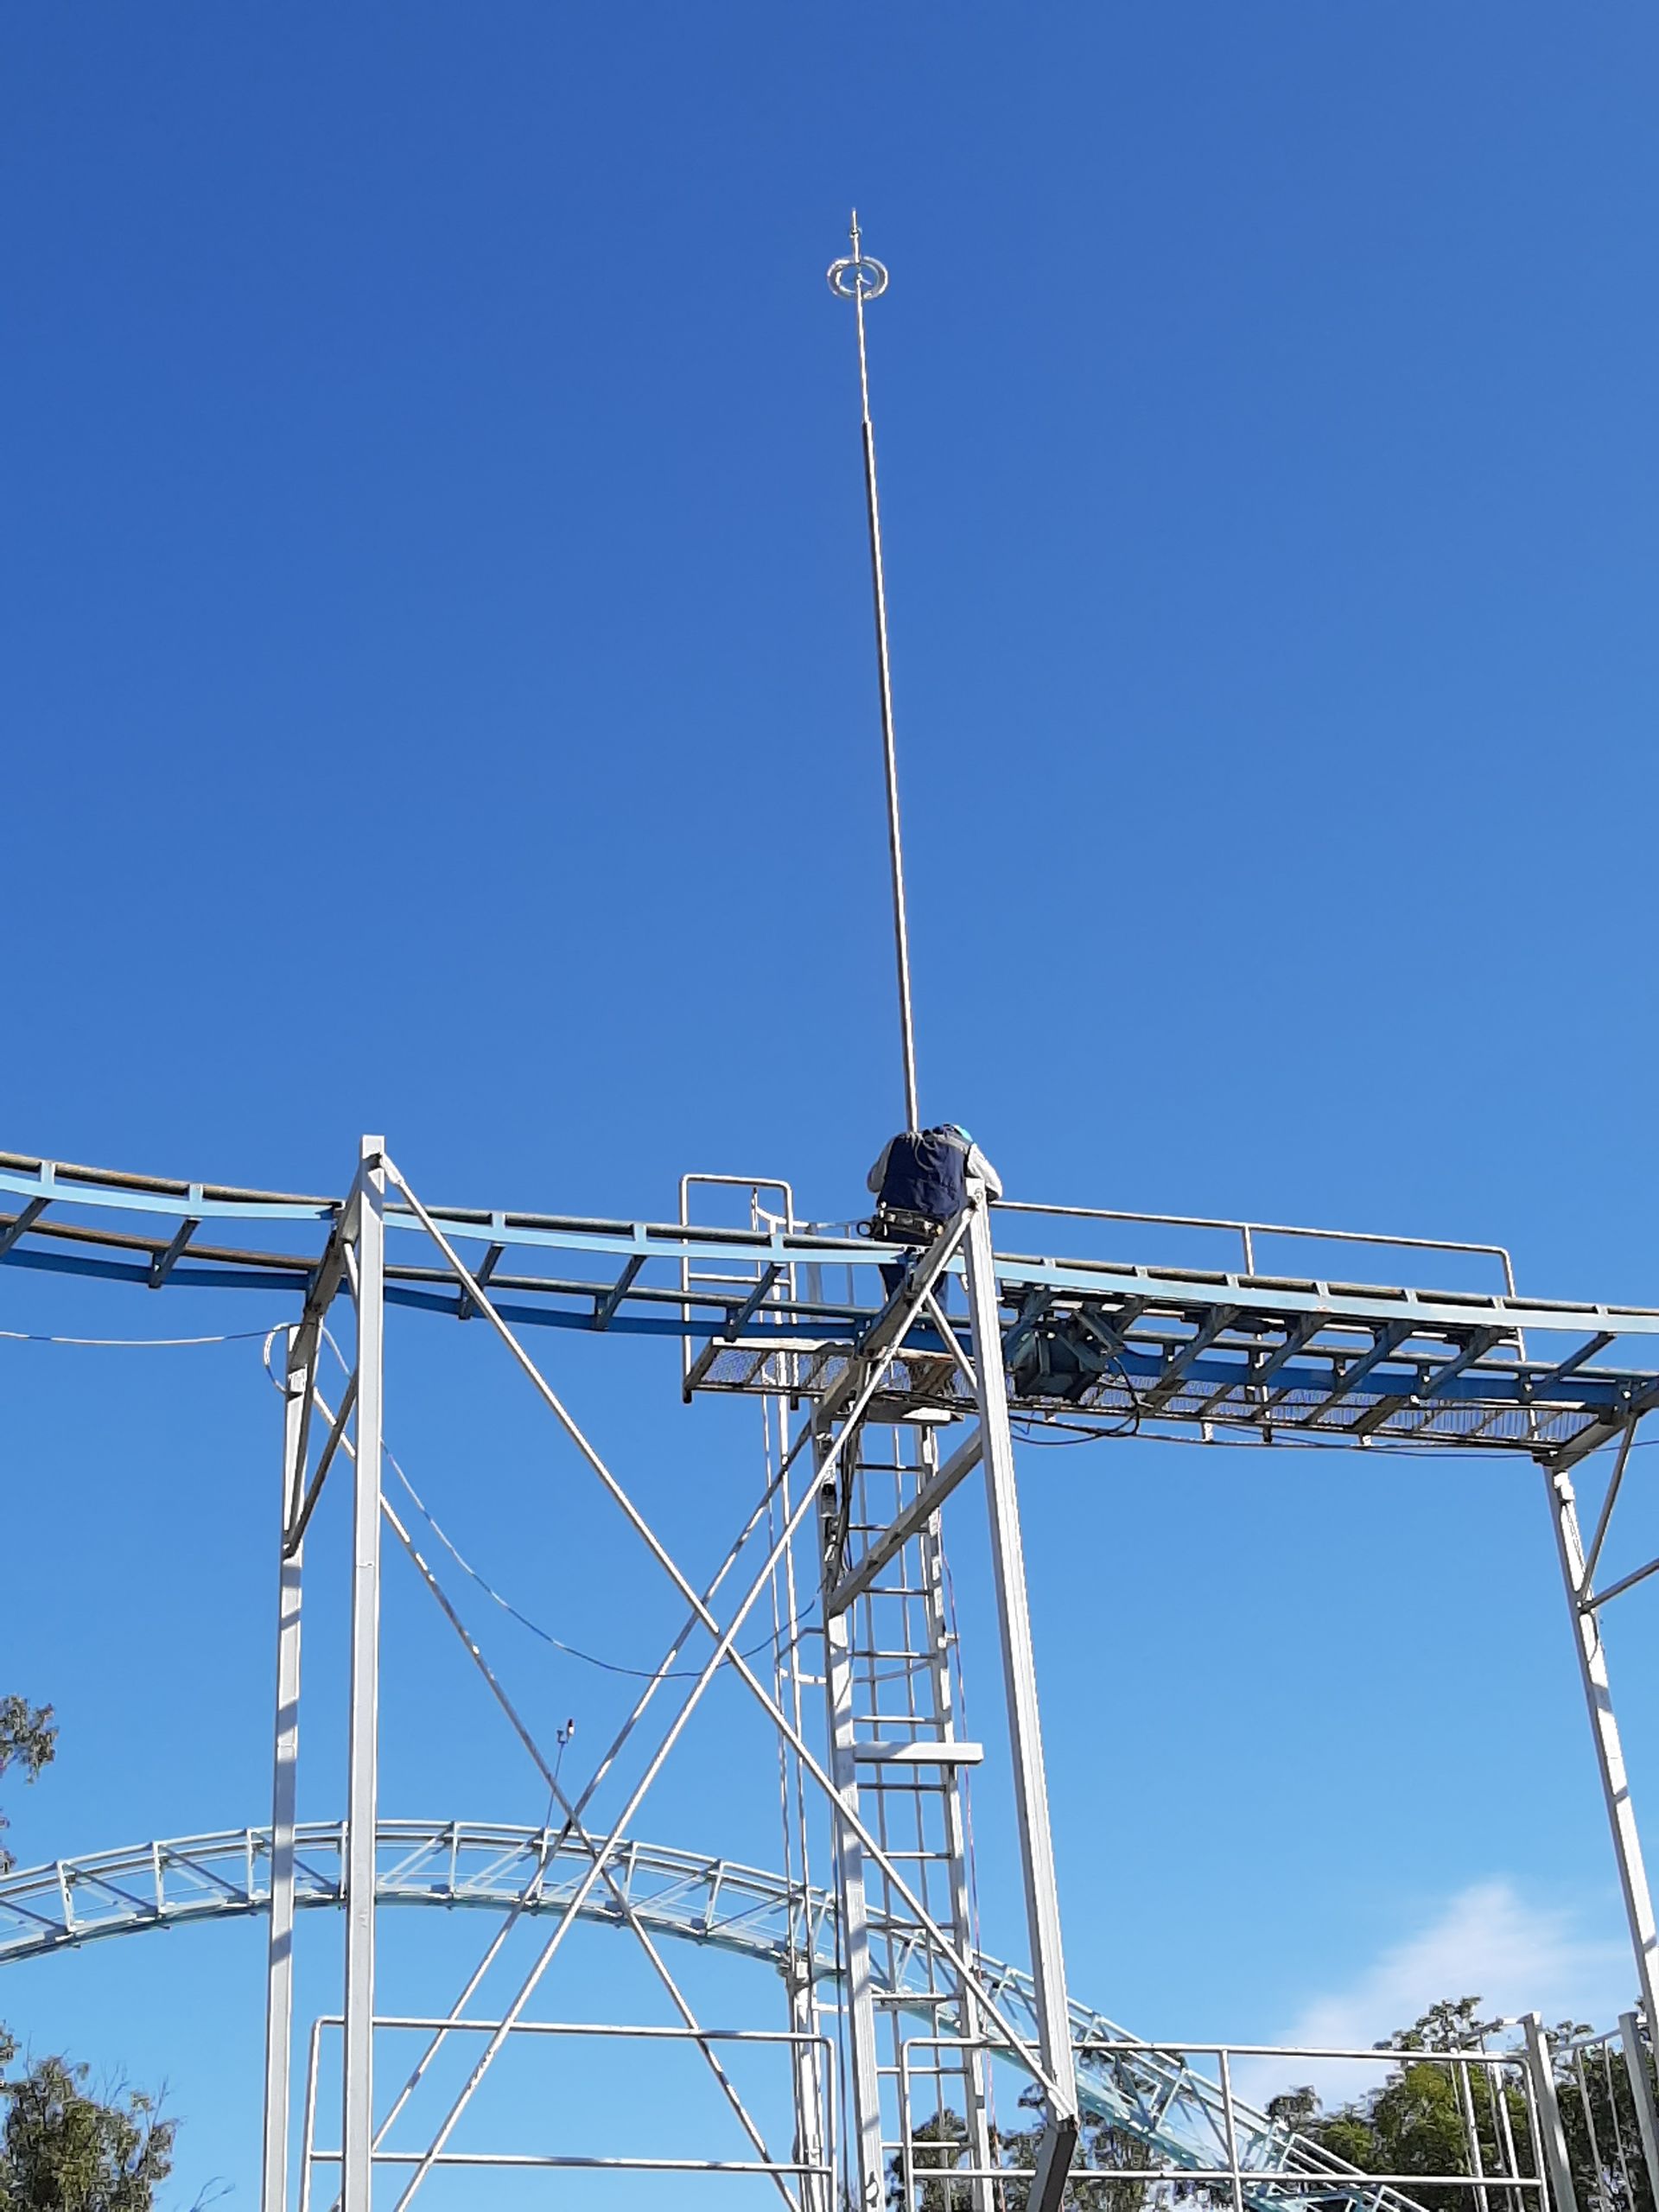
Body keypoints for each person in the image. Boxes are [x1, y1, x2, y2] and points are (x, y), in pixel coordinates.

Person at [866, 1123, 1003, 1297]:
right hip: (932, 1236)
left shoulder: (898, 1142)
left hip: (892, 1229)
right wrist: (963, 1183)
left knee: (899, 1299)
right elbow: (995, 1188)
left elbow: (873, 1183)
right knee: (931, 1298)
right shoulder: (964, 1148)